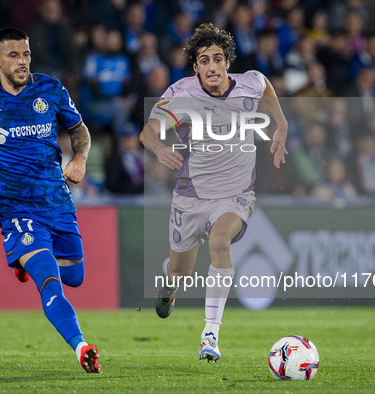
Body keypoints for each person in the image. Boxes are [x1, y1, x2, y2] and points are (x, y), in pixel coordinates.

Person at [0, 27, 102, 373]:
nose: (22, 61)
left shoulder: (50, 89)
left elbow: (79, 131)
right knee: (49, 278)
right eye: (14, 55)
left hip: (57, 201)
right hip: (17, 209)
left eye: (27, 54)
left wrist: (79, 159)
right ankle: (81, 347)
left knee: (75, 276)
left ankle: (21, 263)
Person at [140, 23, 288, 363]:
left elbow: (265, 86)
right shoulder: (181, 93)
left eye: (218, 59)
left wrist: (282, 124)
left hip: (235, 195)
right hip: (191, 197)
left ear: (227, 63)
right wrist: (159, 148)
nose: (212, 67)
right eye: (204, 60)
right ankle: (168, 286)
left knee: (219, 242)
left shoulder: (249, 82)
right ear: (196, 67)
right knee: (179, 272)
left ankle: (210, 335)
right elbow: (148, 131)